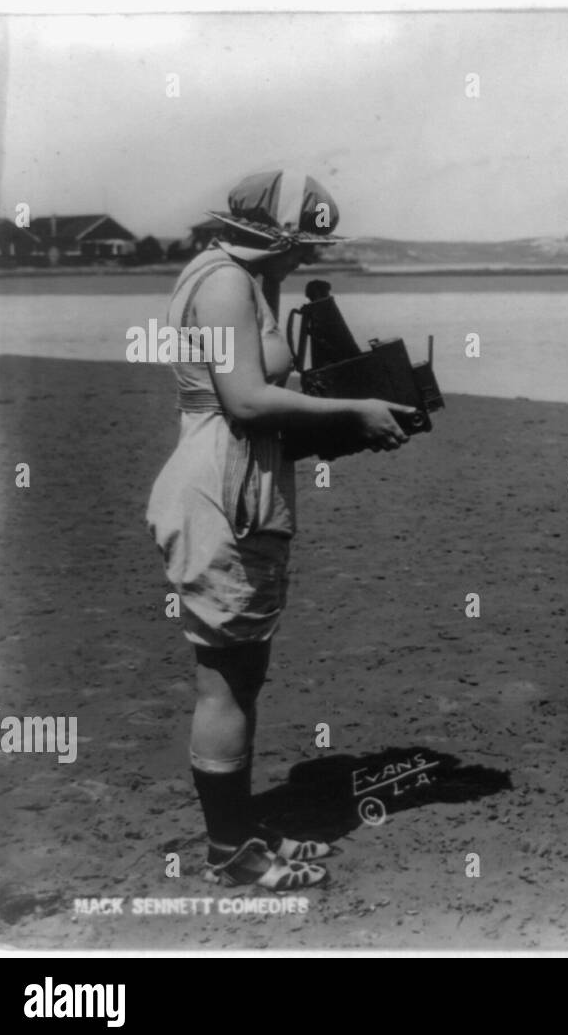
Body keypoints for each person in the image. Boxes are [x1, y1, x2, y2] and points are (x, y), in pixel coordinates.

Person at [147, 170, 415, 887]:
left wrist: (350, 425)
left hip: (241, 478)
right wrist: (355, 409)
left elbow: (266, 408)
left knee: (244, 670)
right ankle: (229, 850)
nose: (309, 260)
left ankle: (239, 829)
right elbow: (245, 400)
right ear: (277, 233)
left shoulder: (243, 276)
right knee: (224, 679)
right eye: (305, 245)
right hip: (221, 486)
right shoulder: (229, 281)